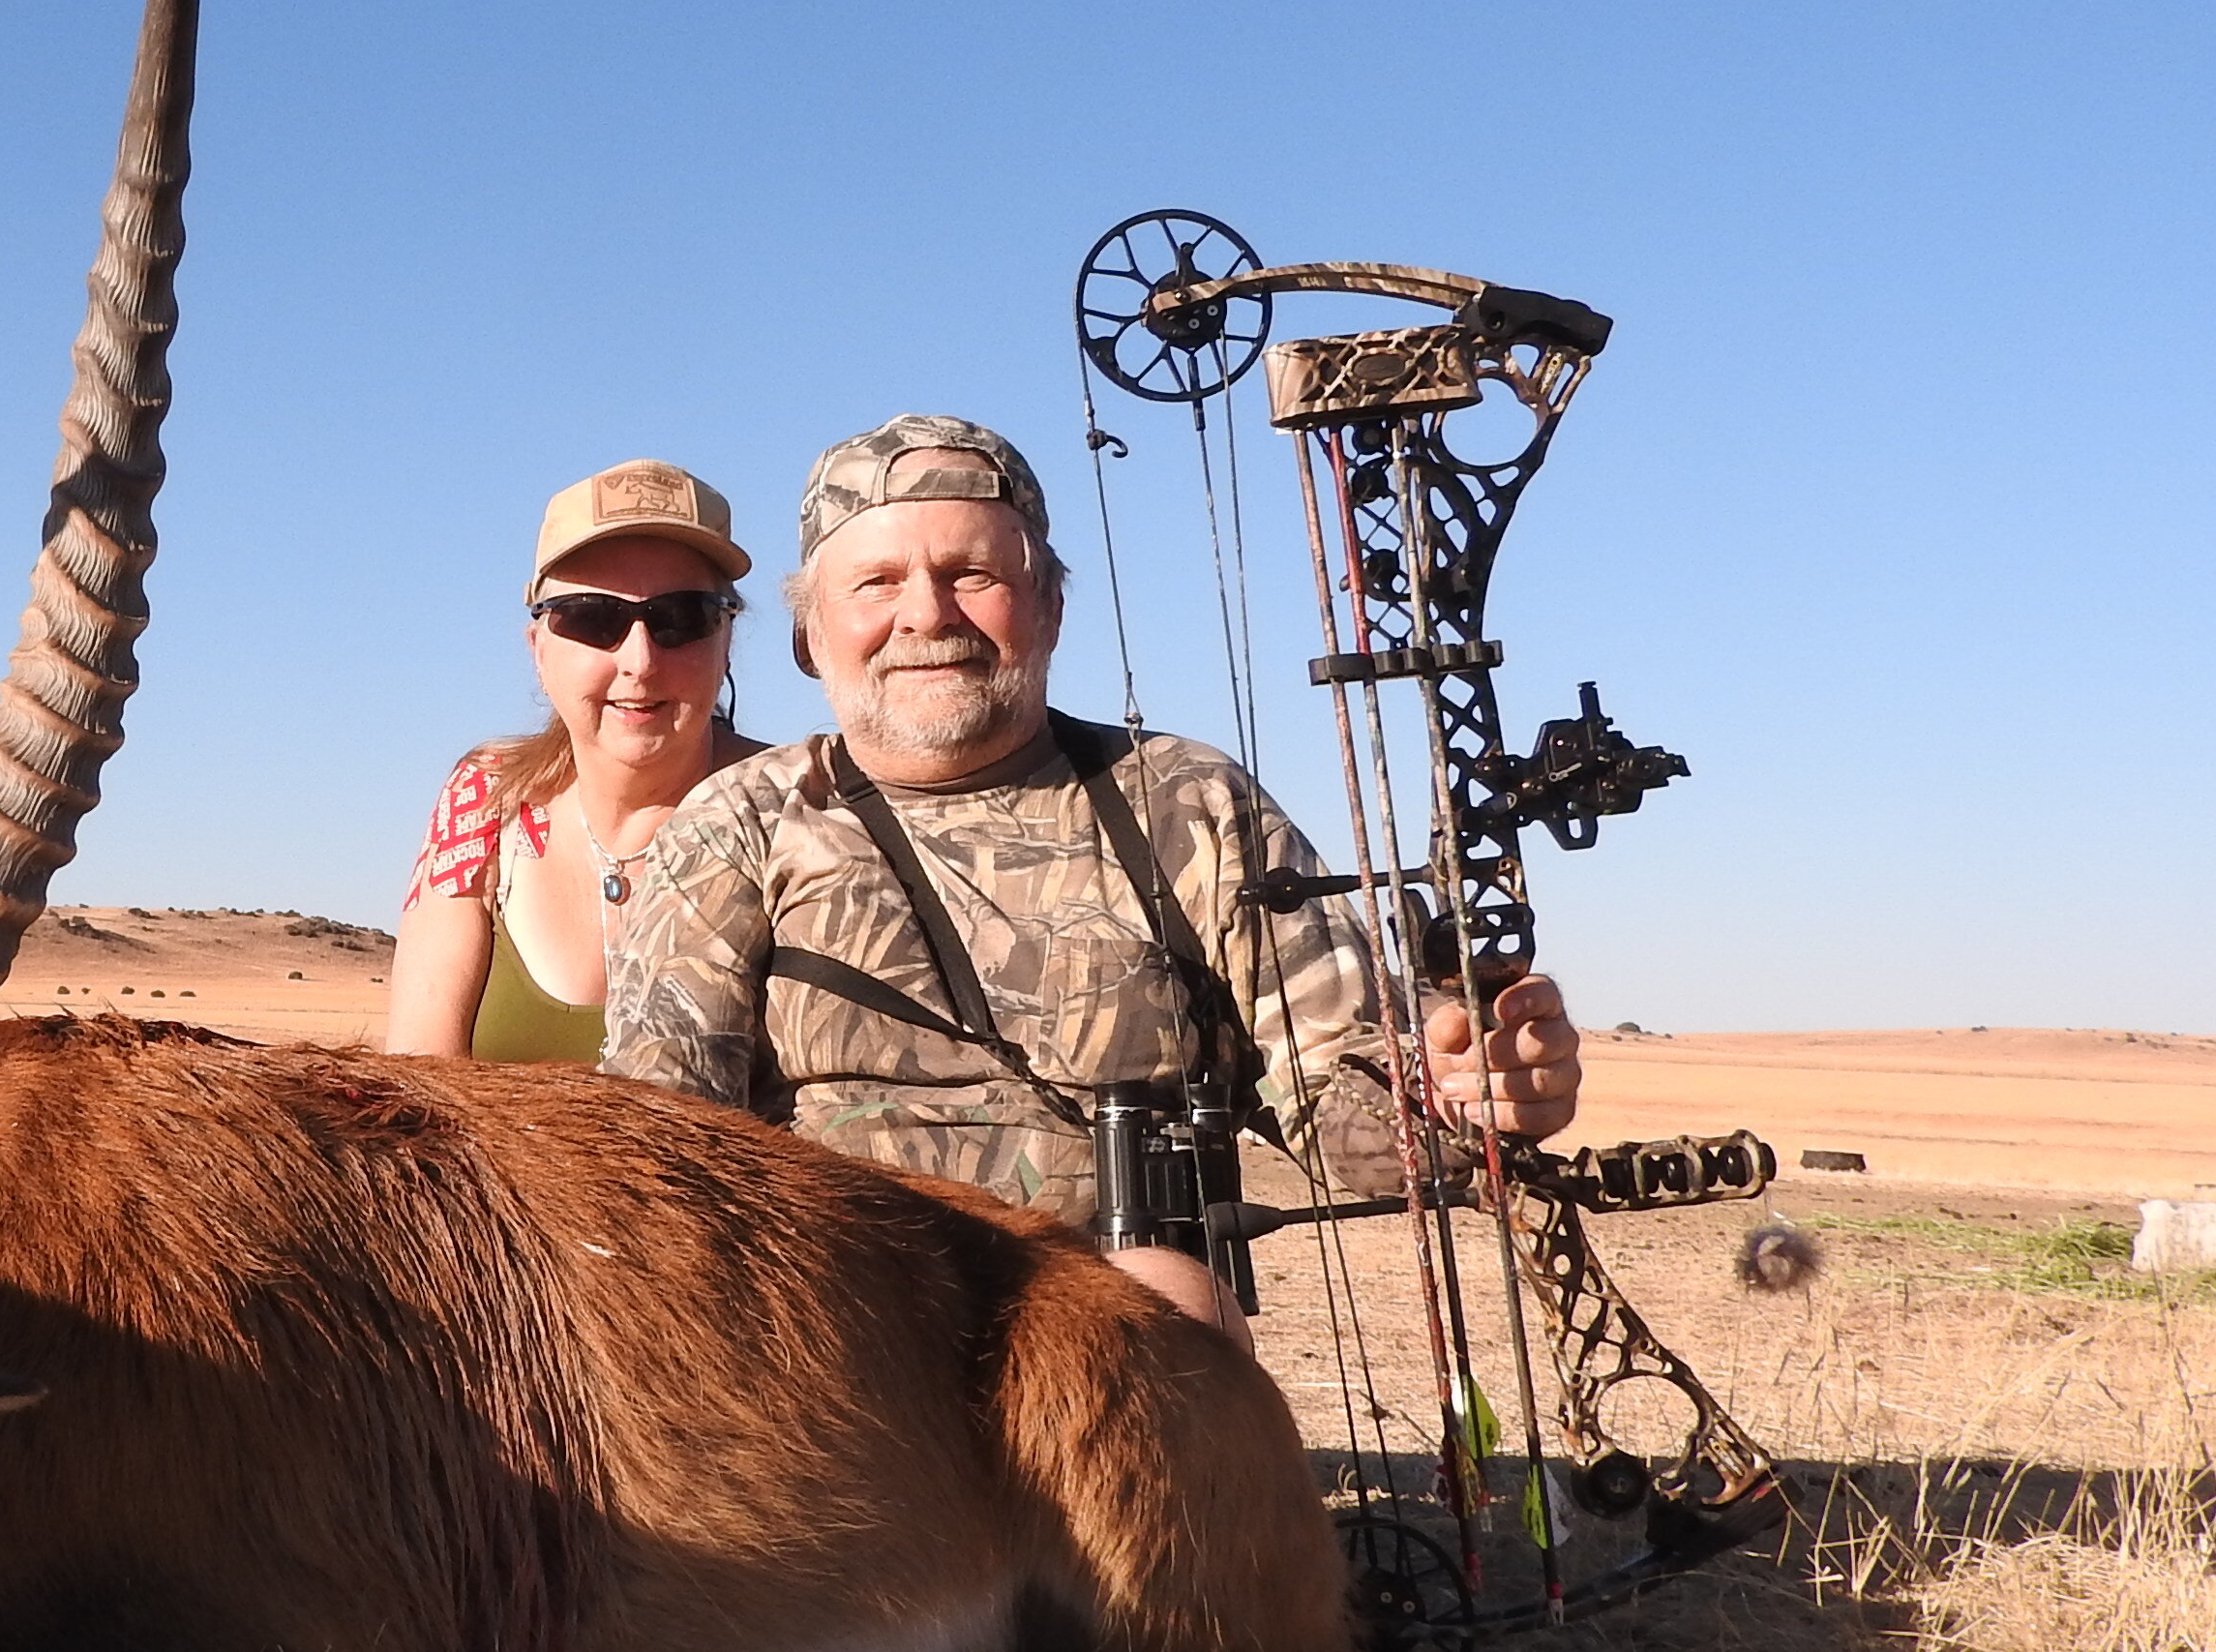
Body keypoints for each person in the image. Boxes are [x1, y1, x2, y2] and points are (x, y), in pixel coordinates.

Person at [603, 414, 1581, 1336]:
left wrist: (1463, 1101)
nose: (926, 616)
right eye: (876, 584)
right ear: (811, 634)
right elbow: (660, 1148)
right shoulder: (736, 825)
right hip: (842, 1348)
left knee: (1171, 1302)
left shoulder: (1191, 801)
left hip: (1134, 1349)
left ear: (1050, 608)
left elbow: (1348, 1125)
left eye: (971, 573)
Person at [387, 459, 762, 1063]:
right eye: (593, 618)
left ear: (726, 642)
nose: (639, 661)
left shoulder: (800, 810)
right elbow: (422, 1082)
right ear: (539, 649)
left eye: (682, 618)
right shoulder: (485, 800)